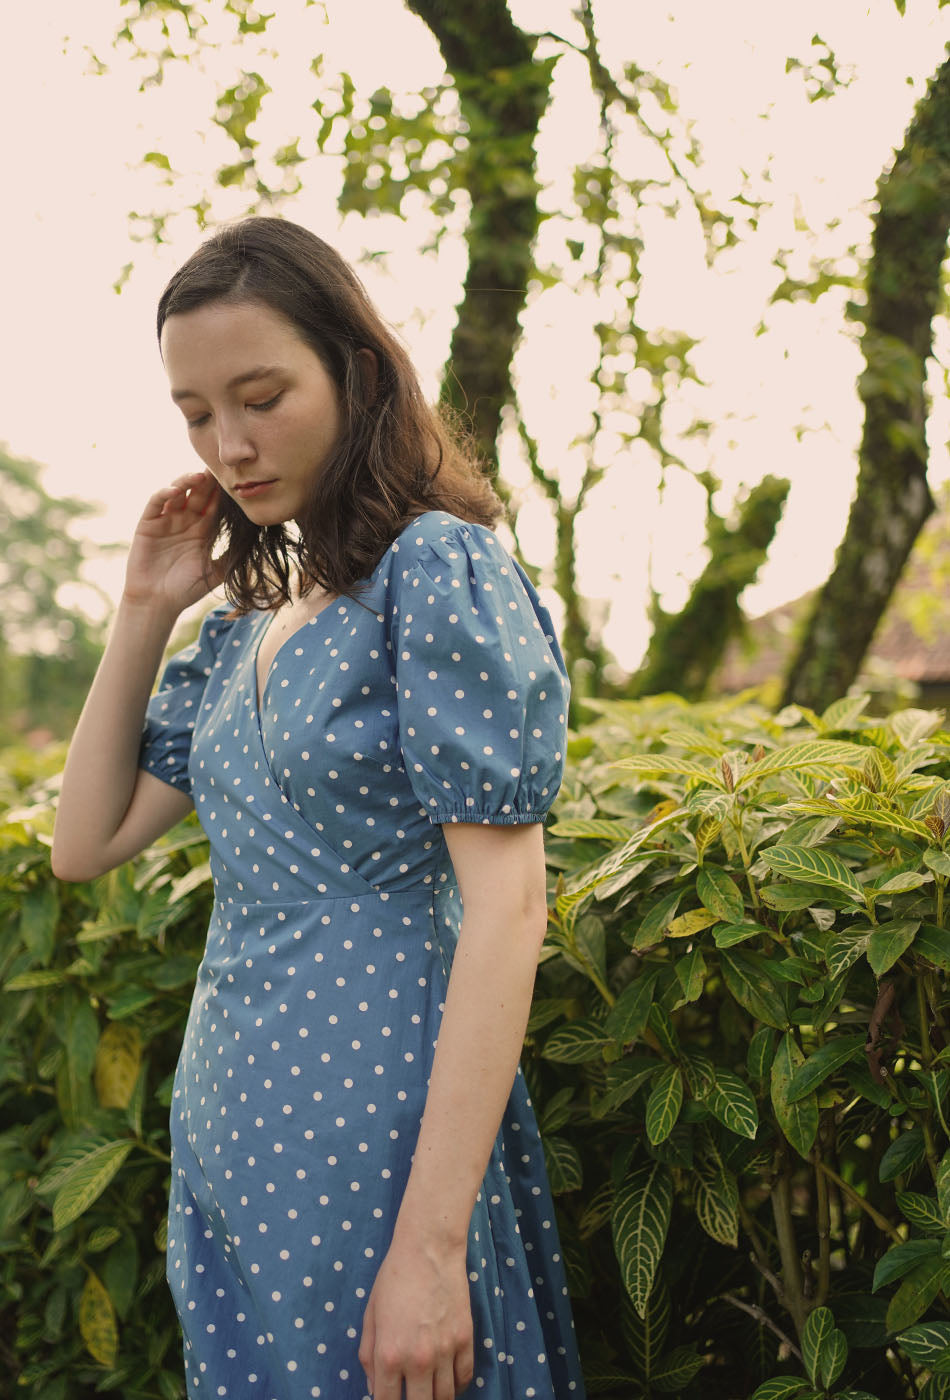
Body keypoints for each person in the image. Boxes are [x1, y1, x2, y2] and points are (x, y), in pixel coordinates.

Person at [52, 216, 586, 1400]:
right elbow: (83, 842)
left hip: (381, 1140)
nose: (229, 443)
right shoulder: (246, 619)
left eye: (260, 394)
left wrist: (432, 1249)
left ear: (353, 369)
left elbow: (508, 907)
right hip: (236, 1136)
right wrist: (144, 608)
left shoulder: (432, 570)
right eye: (195, 413)